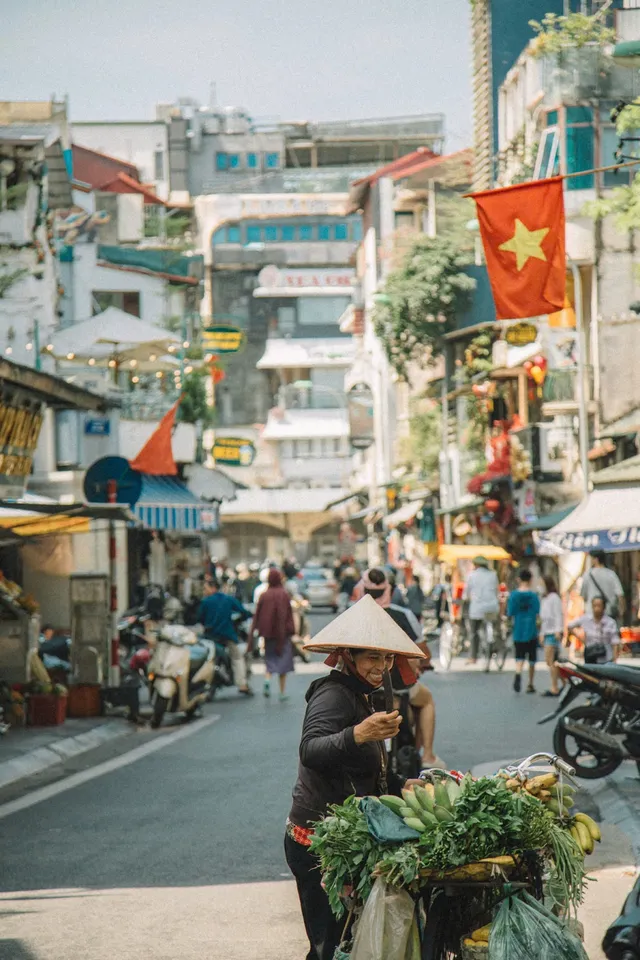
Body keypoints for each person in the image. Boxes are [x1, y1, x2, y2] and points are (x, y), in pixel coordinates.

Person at [285, 597, 427, 960]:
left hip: (347, 833)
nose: (382, 667)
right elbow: (311, 750)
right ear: (349, 657)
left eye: (387, 658)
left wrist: (398, 784)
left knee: (346, 937)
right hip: (316, 841)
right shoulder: (333, 694)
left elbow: (362, 765)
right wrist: (358, 734)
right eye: (373, 659)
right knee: (328, 945)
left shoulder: (364, 695)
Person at [353, 569, 443, 768]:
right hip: (399, 687)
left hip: (361, 688)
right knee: (426, 700)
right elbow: (422, 651)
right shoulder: (403, 615)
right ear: (389, 589)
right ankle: (427, 755)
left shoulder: (353, 616)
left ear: (362, 589)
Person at [197, 579, 253, 695]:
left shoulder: (206, 602)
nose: (204, 591)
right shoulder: (228, 599)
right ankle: (242, 684)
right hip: (227, 635)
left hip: (210, 636)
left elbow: (199, 619)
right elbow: (244, 612)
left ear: (213, 588)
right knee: (237, 657)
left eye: (205, 588)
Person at [252, 569, 296, 700]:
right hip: (283, 635)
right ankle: (282, 693)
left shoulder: (264, 595)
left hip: (268, 634)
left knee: (270, 659)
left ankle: (267, 681)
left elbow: (258, 614)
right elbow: (288, 614)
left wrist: (258, 630)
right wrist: (292, 630)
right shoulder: (284, 594)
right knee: (283, 663)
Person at [507, 568, 541, 693]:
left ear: (519, 579)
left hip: (518, 629)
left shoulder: (514, 595)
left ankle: (518, 672)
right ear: (530, 580)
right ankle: (530, 684)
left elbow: (510, 612)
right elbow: (538, 613)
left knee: (519, 656)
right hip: (531, 630)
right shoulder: (533, 596)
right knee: (532, 659)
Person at [463, 557, 500, 665]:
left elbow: (466, 593)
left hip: (477, 608)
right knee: (494, 626)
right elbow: (496, 591)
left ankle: (473, 657)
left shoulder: (471, 575)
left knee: (474, 632)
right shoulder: (493, 575)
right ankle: (495, 644)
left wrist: (466, 599)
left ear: (476, 565)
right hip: (492, 607)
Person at [568, 596, 620, 664]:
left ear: (604, 607)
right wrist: (580, 637)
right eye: (594, 605)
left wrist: (615, 659)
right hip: (590, 655)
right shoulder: (585, 619)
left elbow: (615, 642)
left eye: (599, 606)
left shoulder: (610, 622)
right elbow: (570, 626)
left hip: (606, 657)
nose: (596, 608)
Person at [581, 550, 625, 622]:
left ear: (596, 559)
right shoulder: (611, 574)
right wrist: (621, 611)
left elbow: (583, 596)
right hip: (608, 613)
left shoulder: (587, 575)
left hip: (591, 614)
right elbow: (620, 594)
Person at [540, 576, 564, 697]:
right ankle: (564, 682)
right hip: (547, 632)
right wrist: (541, 633)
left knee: (551, 660)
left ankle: (555, 686)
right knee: (550, 661)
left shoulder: (554, 598)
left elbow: (558, 614)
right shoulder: (545, 599)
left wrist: (558, 630)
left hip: (553, 632)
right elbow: (543, 619)